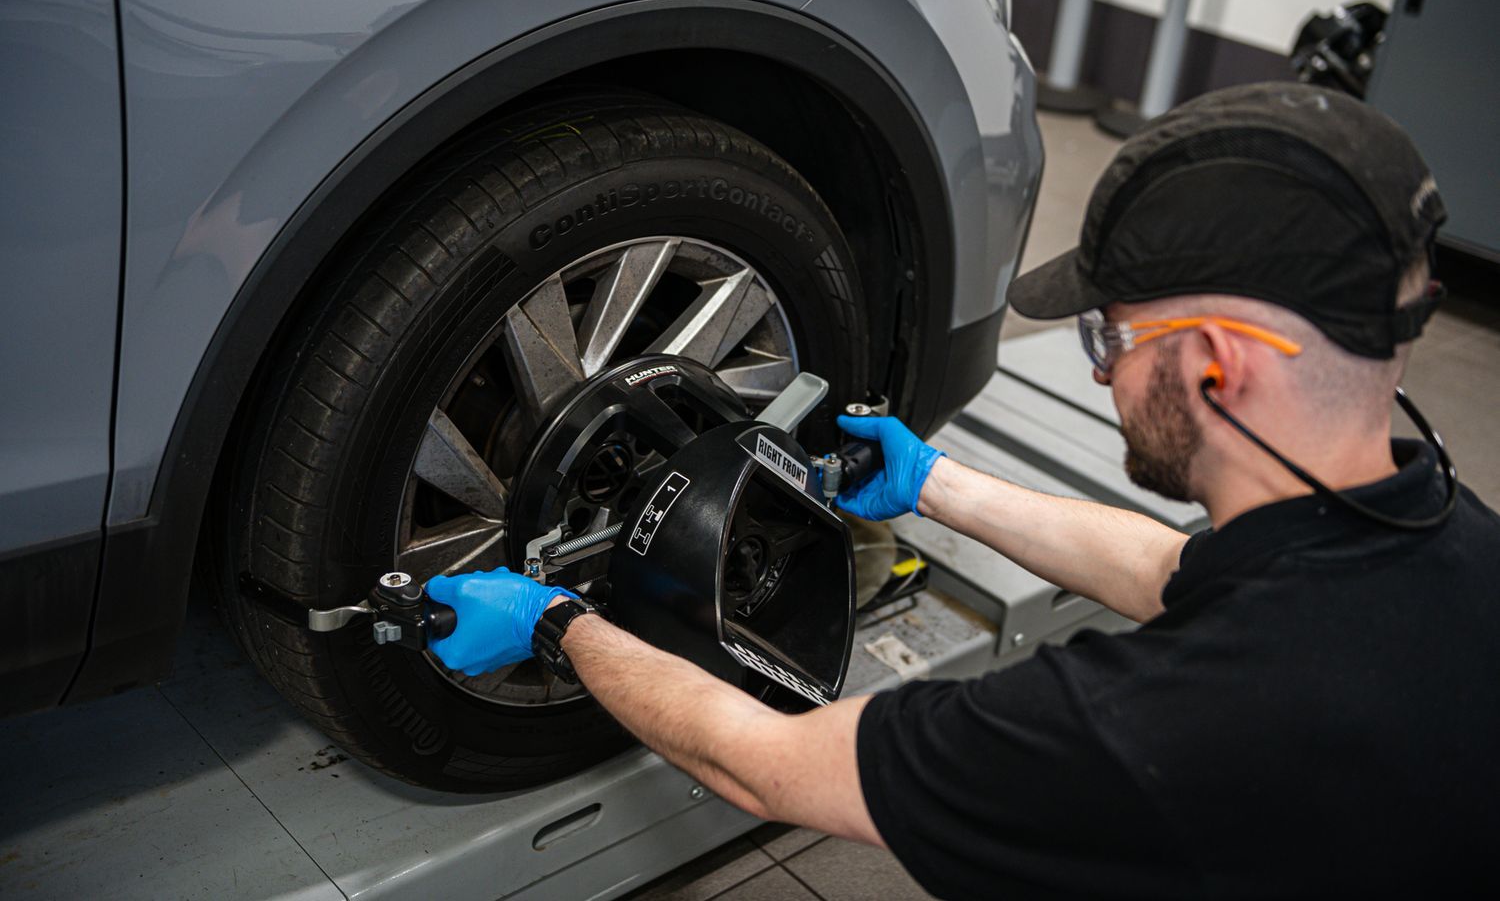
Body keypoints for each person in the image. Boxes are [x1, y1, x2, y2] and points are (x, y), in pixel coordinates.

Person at [425, 82, 1500, 897]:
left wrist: (557, 621)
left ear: (1218, 363)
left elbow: (770, 767)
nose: (1097, 368)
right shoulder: (1447, 536)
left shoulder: (1144, 729)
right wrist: (938, 484)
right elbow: (1171, 570)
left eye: (1110, 334)